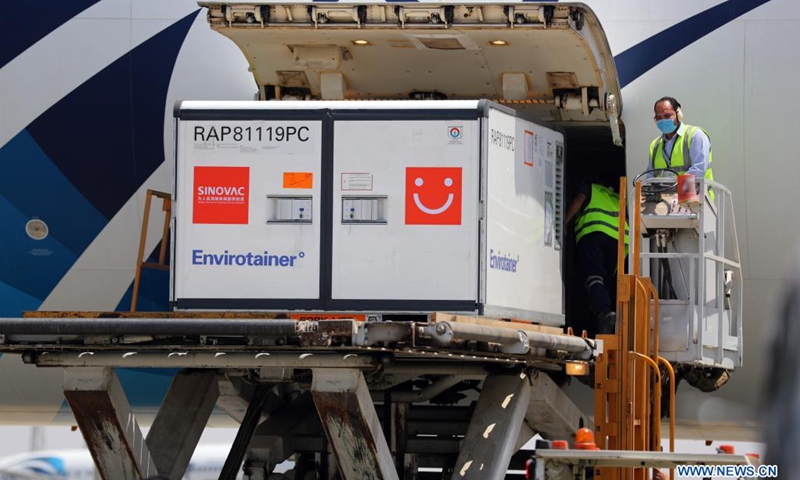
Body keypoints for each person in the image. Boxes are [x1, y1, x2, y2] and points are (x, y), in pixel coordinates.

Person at [566, 181, 629, 335]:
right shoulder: (616, 195)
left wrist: (563, 223)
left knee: (594, 278)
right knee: (607, 282)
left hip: (594, 231)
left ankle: (605, 314)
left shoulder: (589, 187)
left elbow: (579, 199)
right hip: (620, 240)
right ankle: (608, 322)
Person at [648, 96, 715, 199]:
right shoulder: (655, 145)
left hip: (697, 202)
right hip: (665, 205)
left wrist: (675, 194)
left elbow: (698, 170)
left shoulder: (695, 135)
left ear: (678, 114)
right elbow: (650, 177)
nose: (663, 120)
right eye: (659, 117)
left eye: (667, 115)